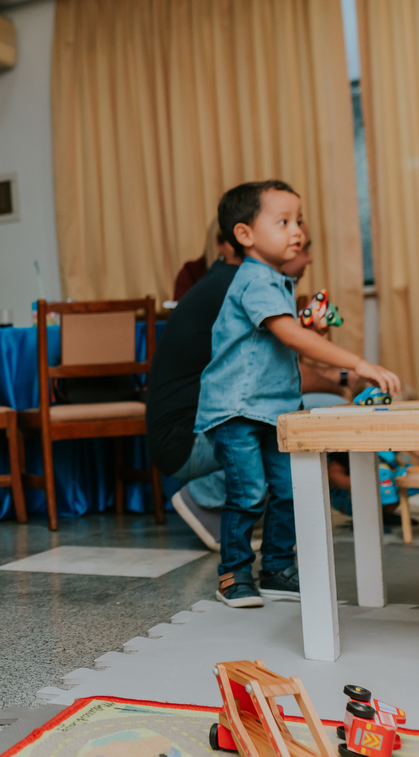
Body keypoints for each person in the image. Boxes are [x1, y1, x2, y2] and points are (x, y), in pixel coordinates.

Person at [195, 180, 400, 608]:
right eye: (284, 221)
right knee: (249, 492)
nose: (298, 231)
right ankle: (233, 575)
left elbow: (278, 339)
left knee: (289, 489)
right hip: (236, 409)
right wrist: (358, 364)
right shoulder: (255, 279)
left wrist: (310, 329)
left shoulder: (276, 281)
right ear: (245, 235)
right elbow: (289, 337)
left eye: (299, 220)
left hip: (275, 409)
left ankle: (276, 569)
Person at [146, 221, 356, 551]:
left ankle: (277, 535)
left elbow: (272, 363)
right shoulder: (244, 285)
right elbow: (283, 370)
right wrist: (347, 374)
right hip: (187, 439)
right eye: (285, 229)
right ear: (246, 239)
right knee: (312, 417)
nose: (301, 250)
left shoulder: (234, 280)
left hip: (187, 430)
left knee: (302, 413)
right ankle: (206, 497)